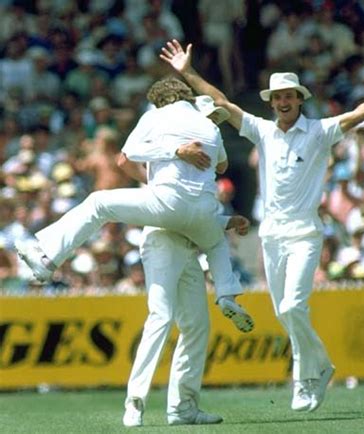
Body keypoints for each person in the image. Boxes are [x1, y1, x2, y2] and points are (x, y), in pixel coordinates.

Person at [160, 38, 364, 412]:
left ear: (299, 99)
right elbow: (222, 102)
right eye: (277, 97)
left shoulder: (319, 131)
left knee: (293, 307)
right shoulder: (262, 131)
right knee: (285, 312)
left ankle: (306, 380)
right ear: (271, 102)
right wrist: (187, 72)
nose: (283, 102)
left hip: (304, 233)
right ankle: (321, 366)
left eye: (289, 96)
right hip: (271, 235)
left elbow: (359, 114)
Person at [15, 79, 253, 333]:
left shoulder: (156, 116)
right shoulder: (210, 127)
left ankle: (48, 259)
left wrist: (176, 150)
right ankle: (227, 294)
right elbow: (222, 166)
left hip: (168, 204)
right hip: (205, 212)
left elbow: (127, 156)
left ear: (160, 101)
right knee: (215, 242)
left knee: (98, 202)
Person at [119, 145, 249, 427]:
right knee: (161, 316)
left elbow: (195, 217)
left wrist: (228, 220)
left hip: (189, 246)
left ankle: (183, 408)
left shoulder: (204, 159)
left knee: (197, 326)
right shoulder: (171, 139)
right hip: (163, 242)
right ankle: (135, 402)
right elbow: (124, 160)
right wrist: (156, 182)